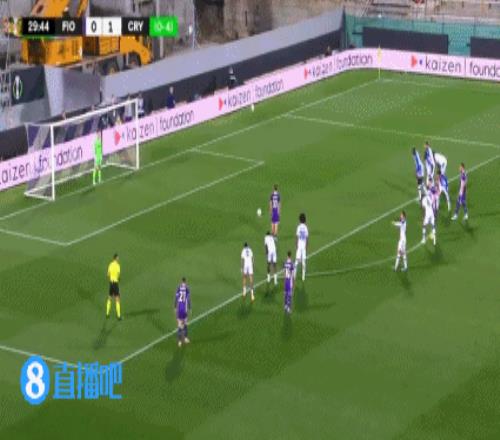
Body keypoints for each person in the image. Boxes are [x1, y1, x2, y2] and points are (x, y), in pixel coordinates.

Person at [174, 277, 191, 347]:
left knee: (180, 326)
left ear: (181, 282)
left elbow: (176, 298)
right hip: (184, 310)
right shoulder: (187, 289)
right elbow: (188, 299)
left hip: (180, 310)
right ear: (185, 282)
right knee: (185, 324)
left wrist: (175, 306)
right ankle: (185, 338)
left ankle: (180, 341)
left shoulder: (178, 288)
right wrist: (190, 307)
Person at [106, 254, 122, 320]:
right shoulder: (118, 266)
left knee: (109, 297)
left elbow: (108, 274)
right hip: (115, 283)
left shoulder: (110, 264)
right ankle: (118, 316)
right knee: (117, 299)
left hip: (111, 283)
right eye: (118, 258)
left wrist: (111, 277)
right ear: (115, 258)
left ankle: (107, 313)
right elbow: (118, 275)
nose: (118, 259)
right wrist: (118, 278)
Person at [295, 213, 309, 281]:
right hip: (303, 246)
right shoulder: (306, 227)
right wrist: (306, 246)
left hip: (299, 245)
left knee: (296, 261)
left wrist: (296, 244)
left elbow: (297, 237)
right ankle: (303, 277)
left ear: (300, 220)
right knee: (303, 262)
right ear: (305, 220)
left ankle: (294, 275)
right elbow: (307, 237)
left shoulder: (298, 227)